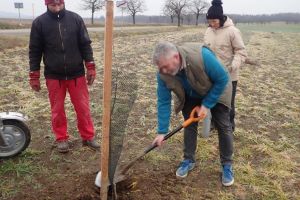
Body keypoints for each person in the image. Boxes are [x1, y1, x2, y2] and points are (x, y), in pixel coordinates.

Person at [151, 41, 234, 186]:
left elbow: (222, 79)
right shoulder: (163, 74)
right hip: (190, 94)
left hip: (217, 88)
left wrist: (206, 104)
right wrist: (161, 131)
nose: (163, 70)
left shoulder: (202, 56)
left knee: (223, 125)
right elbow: (163, 101)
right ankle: (188, 159)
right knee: (189, 126)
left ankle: (227, 165)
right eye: (160, 68)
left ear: (176, 57)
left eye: (165, 66)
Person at [28, 0, 100, 153]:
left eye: (59, 4)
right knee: (57, 109)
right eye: (53, 5)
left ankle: (88, 136)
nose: (57, 8)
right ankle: (61, 138)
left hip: (77, 74)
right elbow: (34, 50)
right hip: (54, 76)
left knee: (83, 107)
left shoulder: (76, 19)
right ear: (46, 4)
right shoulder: (39, 23)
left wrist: (90, 66)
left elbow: (85, 44)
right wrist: (34, 74)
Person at [204, 0, 247, 132]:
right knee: (212, 100)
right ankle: (213, 124)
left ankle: (229, 127)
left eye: (214, 21)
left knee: (227, 104)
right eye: (209, 21)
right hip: (211, 75)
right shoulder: (208, 31)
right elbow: (205, 50)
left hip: (229, 75)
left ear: (221, 19)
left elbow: (241, 52)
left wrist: (232, 66)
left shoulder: (233, 31)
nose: (212, 24)